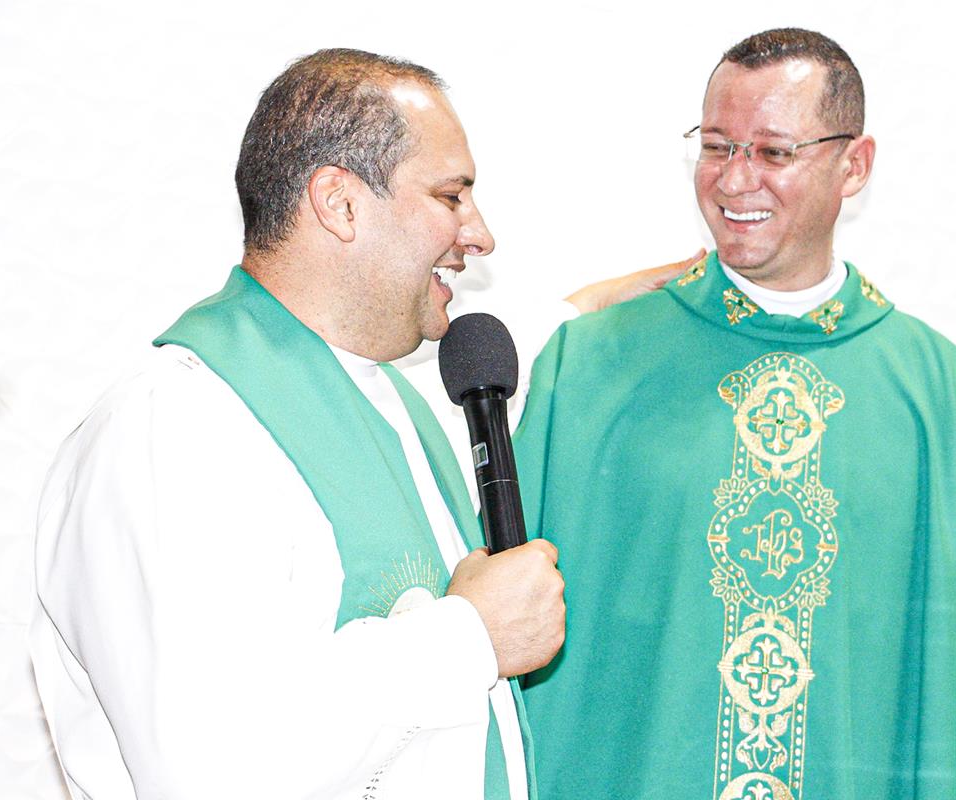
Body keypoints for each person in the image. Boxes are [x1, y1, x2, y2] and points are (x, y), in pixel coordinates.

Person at [514, 28, 956, 800]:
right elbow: (494, 623)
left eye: (773, 152)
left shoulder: (937, 392)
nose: (735, 179)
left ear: (855, 165)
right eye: (717, 147)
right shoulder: (592, 365)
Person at [29, 49, 574, 799]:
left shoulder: (397, 404)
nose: (479, 236)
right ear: (340, 203)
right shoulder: (174, 426)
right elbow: (211, 770)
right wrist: (468, 636)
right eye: (450, 196)